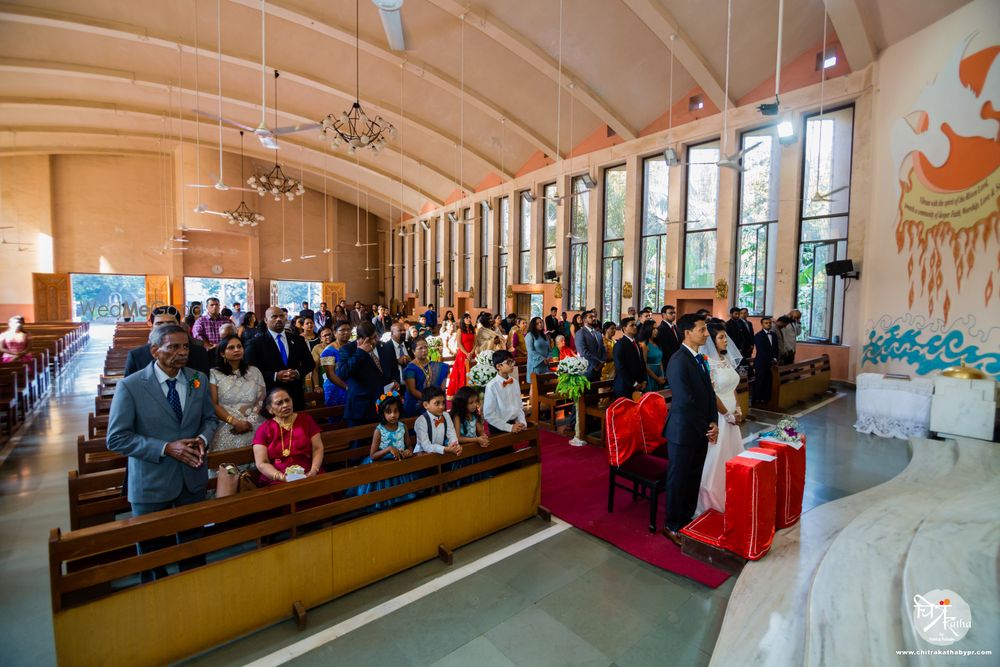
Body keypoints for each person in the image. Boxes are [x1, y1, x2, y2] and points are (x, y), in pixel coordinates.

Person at [106, 324, 219, 581]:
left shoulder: (196, 379)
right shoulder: (131, 386)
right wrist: (166, 448)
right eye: (174, 347)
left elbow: (210, 419)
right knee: (152, 556)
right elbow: (116, 438)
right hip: (151, 481)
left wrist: (202, 438)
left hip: (191, 477)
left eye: (185, 347)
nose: (182, 353)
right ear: (155, 350)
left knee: (193, 550)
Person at [661, 314, 719, 546]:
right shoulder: (678, 360)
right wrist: (706, 426)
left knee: (694, 475)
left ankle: (686, 517)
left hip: (700, 428)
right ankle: (672, 524)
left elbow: (708, 394)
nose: (706, 334)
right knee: (679, 478)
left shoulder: (699, 358)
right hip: (683, 430)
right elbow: (685, 401)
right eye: (702, 330)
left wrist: (714, 421)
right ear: (687, 333)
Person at [697, 322, 745, 514]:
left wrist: (738, 409)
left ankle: (733, 493)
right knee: (715, 460)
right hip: (719, 417)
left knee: (732, 456)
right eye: (721, 337)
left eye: (726, 337)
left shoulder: (725, 361)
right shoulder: (706, 362)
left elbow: (733, 387)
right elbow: (711, 394)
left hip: (732, 417)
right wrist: (727, 414)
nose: (726, 340)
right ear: (712, 342)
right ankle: (710, 499)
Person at [243, 307, 315, 410]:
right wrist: (275, 376)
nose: (279, 319)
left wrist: (297, 373)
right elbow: (250, 370)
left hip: (295, 396)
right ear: (266, 320)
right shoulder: (255, 343)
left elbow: (310, 364)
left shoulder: (298, 340)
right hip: (270, 397)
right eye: (274, 317)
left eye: (281, 316)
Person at [355, 393, 416, 508]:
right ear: (383, 413)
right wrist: (388, 449)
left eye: (396, 411)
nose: (393, 415)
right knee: (384, 497)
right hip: (382, 466)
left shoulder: (403, 427)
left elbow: (409, 445)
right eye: (388, 412)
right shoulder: (379, 431)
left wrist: (408, 451)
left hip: (399, 464)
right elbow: (373, 455)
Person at [208, 334, 266, 453]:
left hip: (253, 422)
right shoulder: (214, 373)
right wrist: (235, 422)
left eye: (239, 346)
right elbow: (214, 404)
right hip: (226, 423)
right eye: (231, 347)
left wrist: (250, 420)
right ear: (222, 353)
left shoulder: (254, 371)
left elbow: (261, 398)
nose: (236, 350)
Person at [252, 388, 323, 485]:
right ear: (270, 409)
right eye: (279, 403)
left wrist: (313, 471)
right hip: (276, 476)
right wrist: (282, 478)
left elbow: (317, 448)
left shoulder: (306, 420)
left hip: (307, 472)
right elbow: (262, 463)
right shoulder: (264, 429)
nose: (285, 405)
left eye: (287, 400)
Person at [125, 306, 211, 376]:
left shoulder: (198, 353)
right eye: (159, 323)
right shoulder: (137, 356)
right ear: (152, 326)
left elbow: (203, 388)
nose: (165, 328)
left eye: (171, 323)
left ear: (179, 325)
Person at [337, 321, 394, 426]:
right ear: (362, 338)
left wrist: (393, 381)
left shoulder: (384, 346)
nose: (376, 340)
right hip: (359, 408)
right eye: (372, 338)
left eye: (376, 336)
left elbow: (391, 367)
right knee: (358, 442)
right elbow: (342, 373)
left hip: (382, 405)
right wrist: (361, 352)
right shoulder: (348, 349)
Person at [402, 338, 449, 418]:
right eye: (420, 348)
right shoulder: (410, 368)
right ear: (413, 351)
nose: (424, 350)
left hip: (435, 403)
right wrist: (429, 401)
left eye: (426, 347)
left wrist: (435, 401)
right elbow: (412, 390)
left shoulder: (438, 366)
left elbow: (442, 387)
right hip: (416, 404)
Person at [483, 350, 527, 434]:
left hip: (513, 422)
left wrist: (522, 422)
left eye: (512, 361)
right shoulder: (492, 386)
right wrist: (509, 427)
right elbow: (488, 415)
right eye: (509, 362)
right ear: (499, 366)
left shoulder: (514, 382)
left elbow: (519, 406)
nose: (512, 365)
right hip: (498, 426)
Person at [413, 385, 461, 455]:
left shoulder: (446, 416)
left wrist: (455, 445)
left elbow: (451, 434)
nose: (442, 407)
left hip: (439, 454)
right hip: (422, 456)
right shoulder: (421, 421)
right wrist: (444, 449)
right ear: (426, 405)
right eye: (437, 403)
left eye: (443, 403)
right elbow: (426, 446)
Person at [612, 317, 646, 398]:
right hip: (625, 386)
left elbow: (642, 362)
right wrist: (634, 383)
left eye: (635, 325)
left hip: (639, 385)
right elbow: (620, 367)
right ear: (624, 328)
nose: (635, 327)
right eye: (632, 325)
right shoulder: (620, 344)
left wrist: (644, 380)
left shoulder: (636, 343)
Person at [319, 322, 351, 407]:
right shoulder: (328, 351)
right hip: (335, 387)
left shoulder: (352, 346)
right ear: (335, 333)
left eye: (348, 330)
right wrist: (347, 387)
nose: (346, 332)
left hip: (352, 385)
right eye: (343, 330)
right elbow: (330, 374)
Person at [446, 313, 475, 397]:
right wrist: (467, 353)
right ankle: (461, 393)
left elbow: (475, 343)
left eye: (469, 317)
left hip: (472, 353)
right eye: (466, 318)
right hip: (462, 354)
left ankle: (470, 392)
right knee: (462, 373)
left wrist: (471, 353)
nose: (469, 319)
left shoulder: (472, 330)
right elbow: (459, 344)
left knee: (471, 372)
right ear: (463, 320)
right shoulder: (460, 330)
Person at [753, 316, 781, 404]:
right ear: (762, 324)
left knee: (768, 381)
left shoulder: (773, 334)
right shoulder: (758, 335)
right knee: (760, 381)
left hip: (771, 362)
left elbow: (776, 348)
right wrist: (770, 360)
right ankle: (756, 399)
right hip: (761, 362)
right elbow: (761, 350)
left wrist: (775, 358)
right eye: (766, 323)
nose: (768, 324)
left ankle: (766, 399)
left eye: (769, 323)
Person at [574, 309, 606, 382]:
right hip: (588, 369)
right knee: (588, 392)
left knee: (596, 392)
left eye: (594, 317)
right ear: (584, 320)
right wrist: (596, 364)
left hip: (599, 369)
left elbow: (603, 349)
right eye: (591, 317)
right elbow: (583, 352)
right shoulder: (580, 333)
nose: (594, 318)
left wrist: (602, 362)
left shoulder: (598, 333)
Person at [638, 319, 666, 392]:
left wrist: (662, 375)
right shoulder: (644, 345)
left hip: (659, 373)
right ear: (648, 329)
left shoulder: (657, 343)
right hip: (650, 375)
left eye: (657, 328)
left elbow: (660, 361)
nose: (656, 331)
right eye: (653, 329)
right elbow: (644, 364)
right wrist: (656, 378)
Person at [525, 316, 551, 383]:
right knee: (535, 388)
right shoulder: (530, 335)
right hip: (535, 364)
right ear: (533, 325)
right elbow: (530, 351)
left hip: (545, 365)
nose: (540, 324)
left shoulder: (545, 336)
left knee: (545, 388)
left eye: (541, 322)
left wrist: (548, 358)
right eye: (537, 323)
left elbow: (549, 350)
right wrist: (542, 359)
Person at [309, 327, 334, 391]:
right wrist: (316, 386)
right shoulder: (317, 348)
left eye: (329, 334)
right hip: (323, 381)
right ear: (320, 338)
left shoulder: (337, 346)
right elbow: (314, 369)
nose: (328, 337)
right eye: (325, 335)